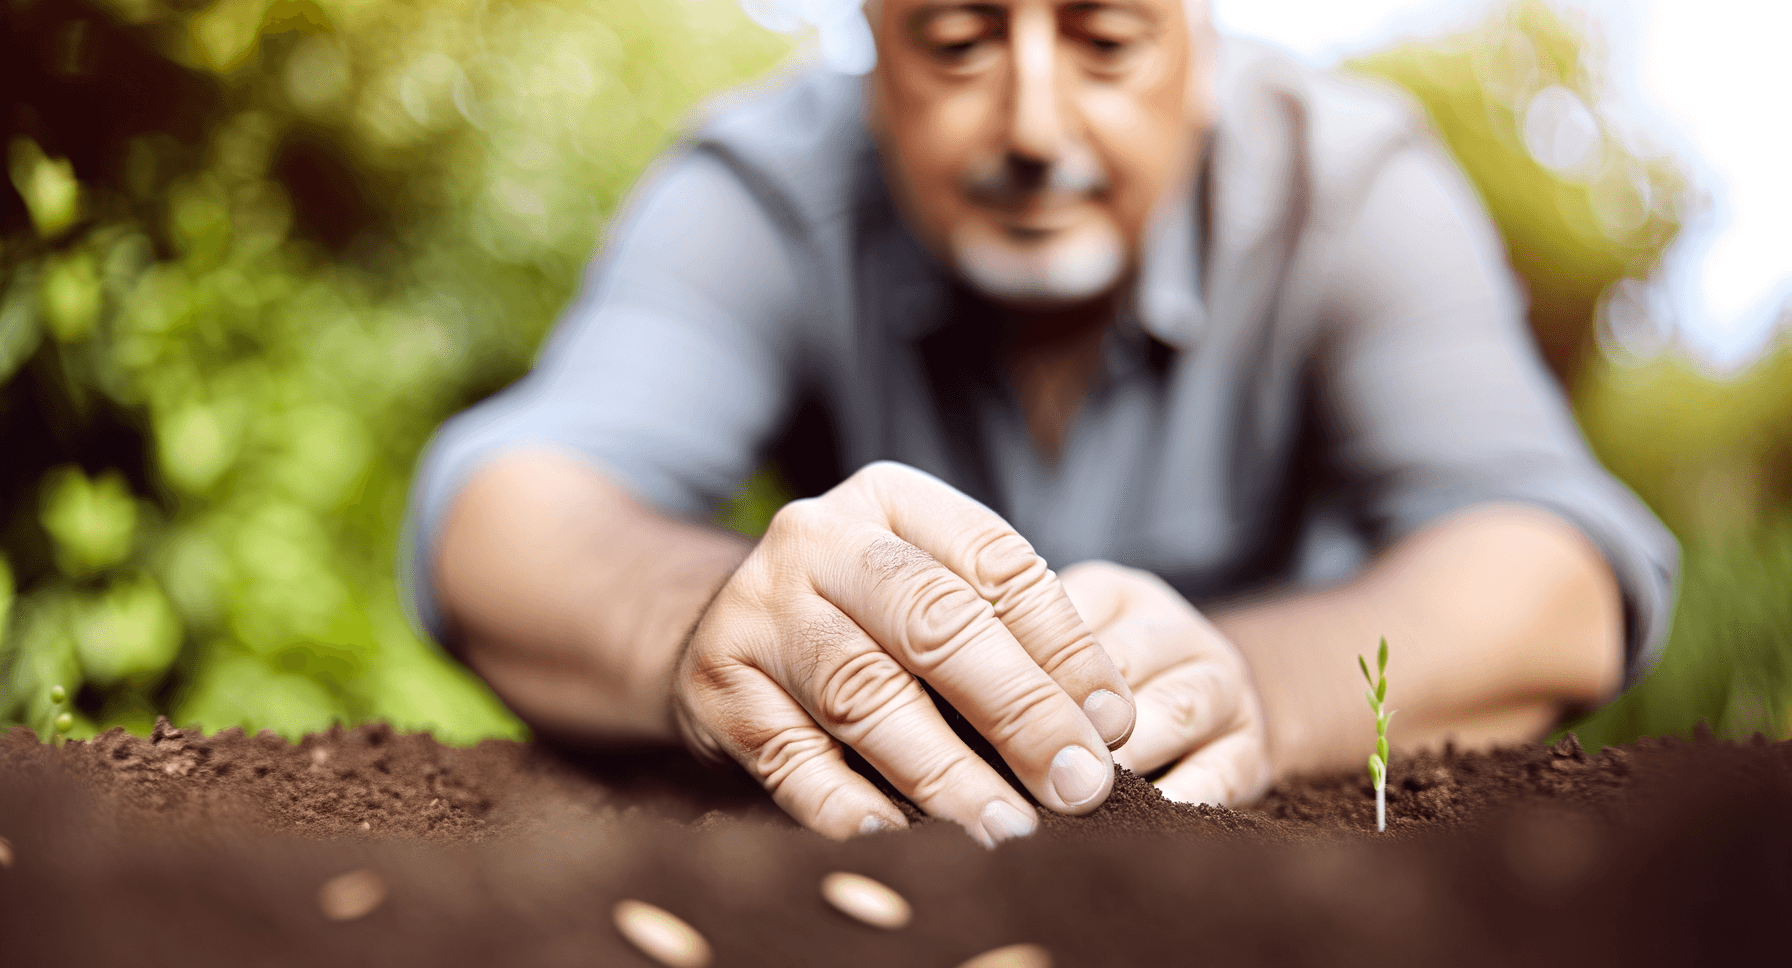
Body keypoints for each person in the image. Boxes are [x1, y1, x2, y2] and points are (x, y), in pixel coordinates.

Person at [402, 0, 1677, 847]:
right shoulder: (760, 180)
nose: (1032, 124)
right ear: (871, 45)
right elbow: (504, 511)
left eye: (1105, 41)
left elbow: (1552, 569)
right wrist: (699, 619)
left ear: (1199, 46)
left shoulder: (1348, 180)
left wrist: (1259, 693)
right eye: (957, 40)